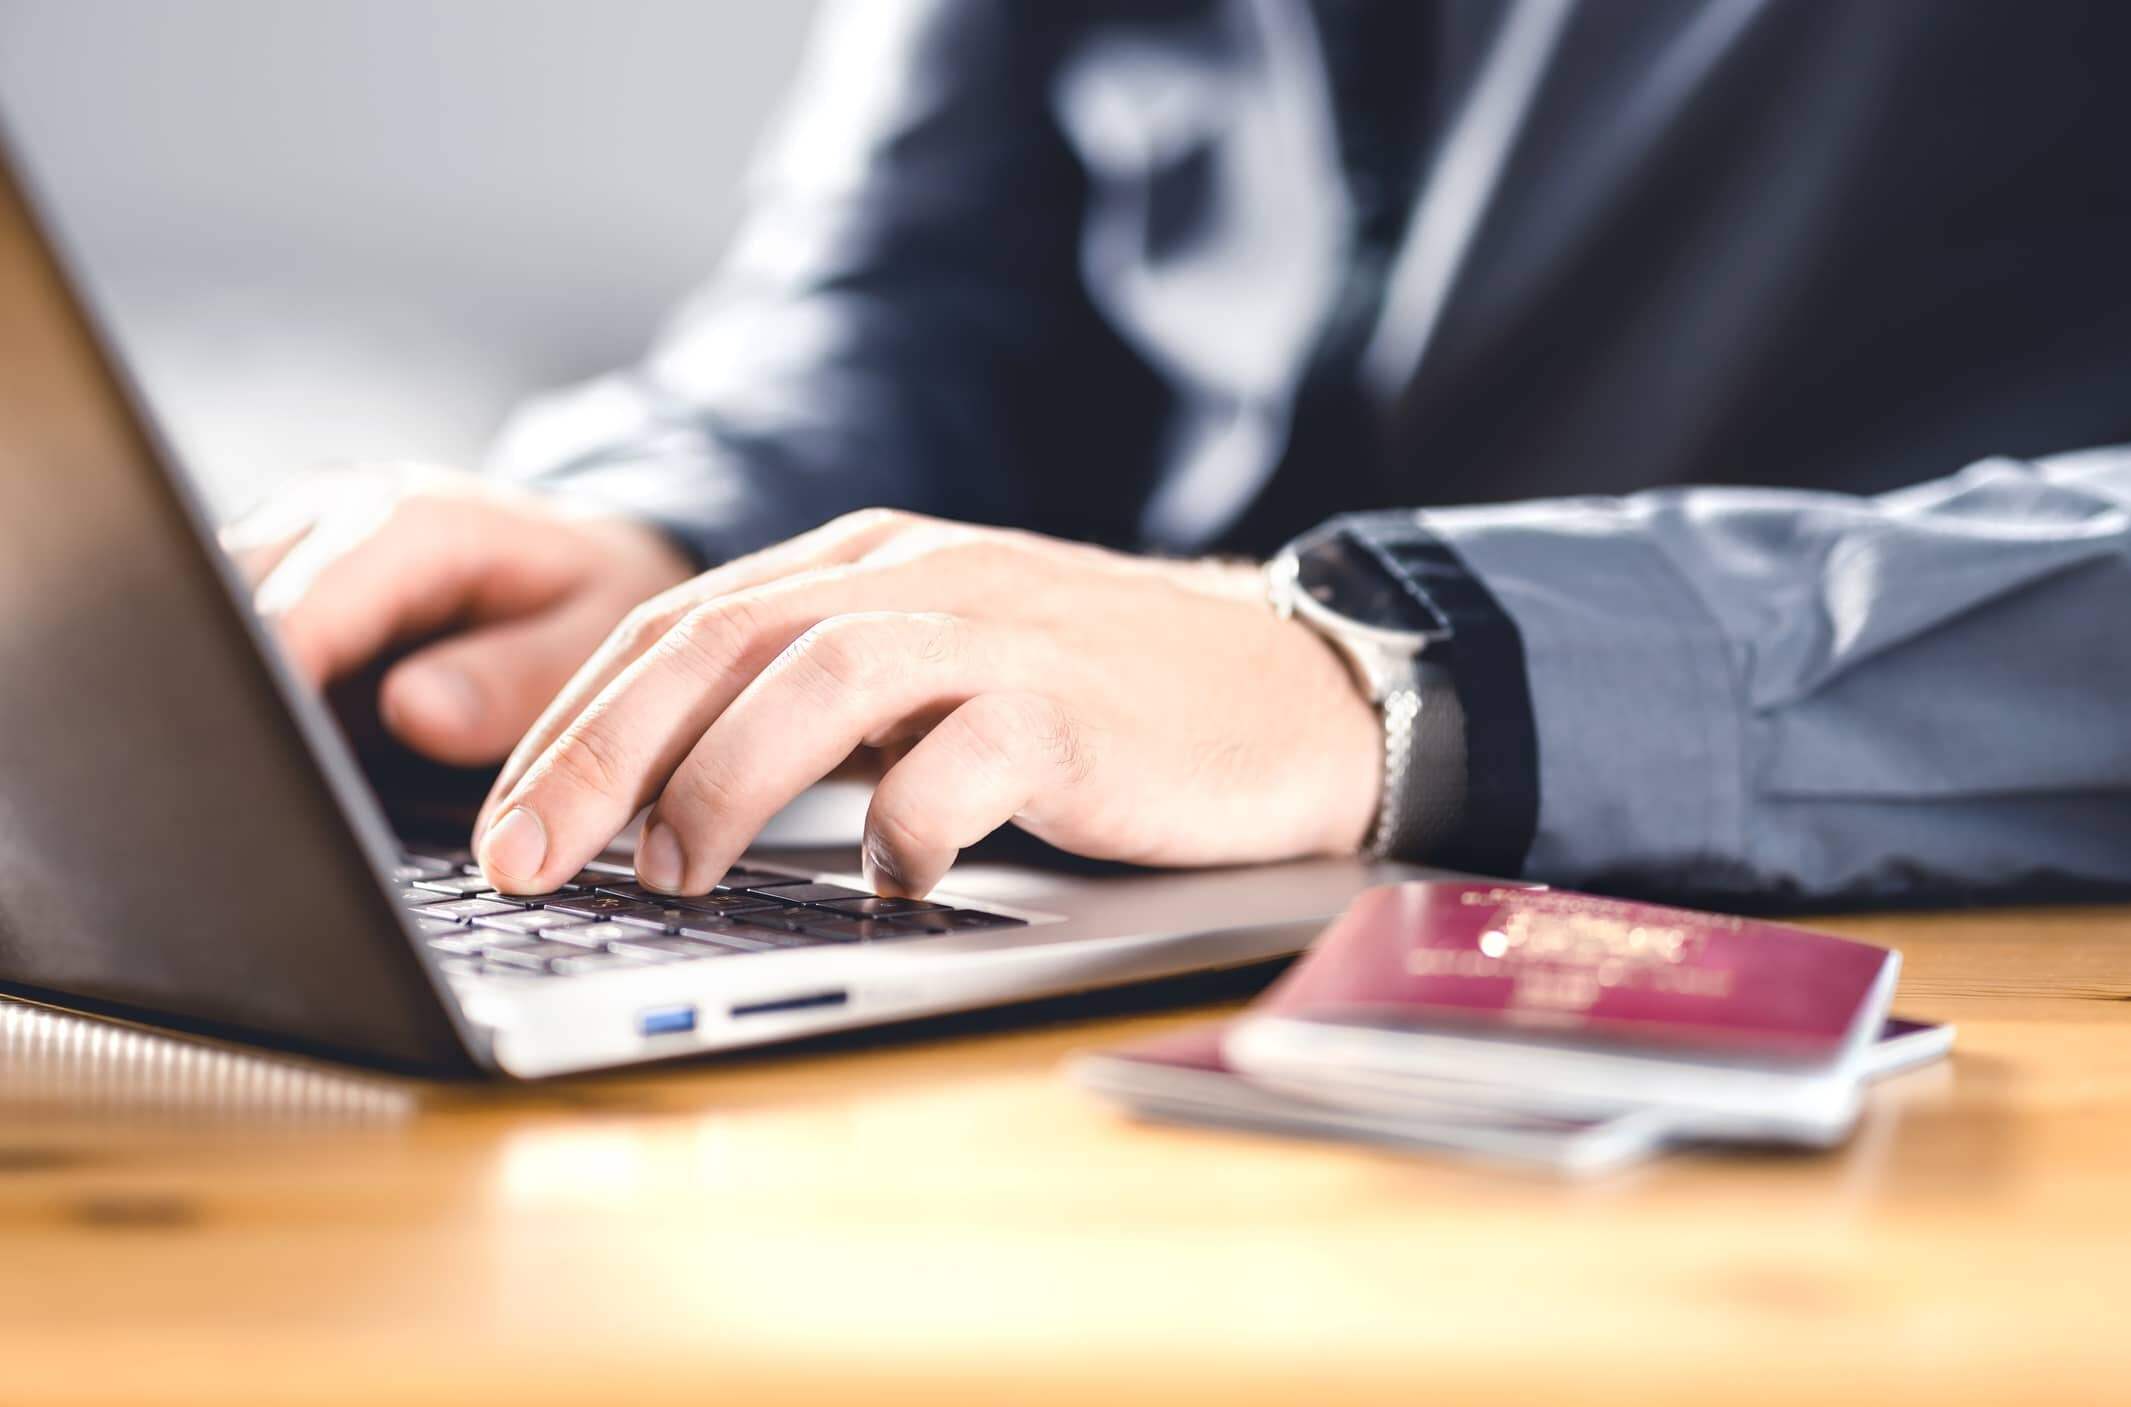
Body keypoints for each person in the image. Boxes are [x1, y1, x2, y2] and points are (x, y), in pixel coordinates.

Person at [225, 0, 2131, 907]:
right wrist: (671, 534)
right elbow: (911, 281)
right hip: (1133, 939)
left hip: (1932, 997)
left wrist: (1383, 673)